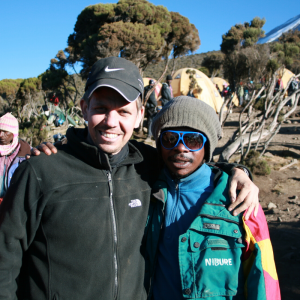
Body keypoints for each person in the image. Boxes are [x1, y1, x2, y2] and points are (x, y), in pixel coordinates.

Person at [0, 57, 259, 300]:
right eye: (101, 108)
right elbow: (4, 260)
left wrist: (237, 172)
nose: (111, 122)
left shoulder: (147, 163)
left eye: (123, 111)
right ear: (84, 108)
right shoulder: (41, 172)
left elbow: (194, 162)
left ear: (139, 116)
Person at [145, 97, 280, 300]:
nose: (181, 147)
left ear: (207, 146)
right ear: (159, 144)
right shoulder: (144, 189)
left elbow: (265, 281)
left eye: (193, 140)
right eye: (170, 138)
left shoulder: (241, 200)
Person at [0, 113, 30, 204]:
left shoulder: (26, 154)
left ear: (14, 134)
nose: (1, 135)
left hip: (14, 204)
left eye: (6, 131)